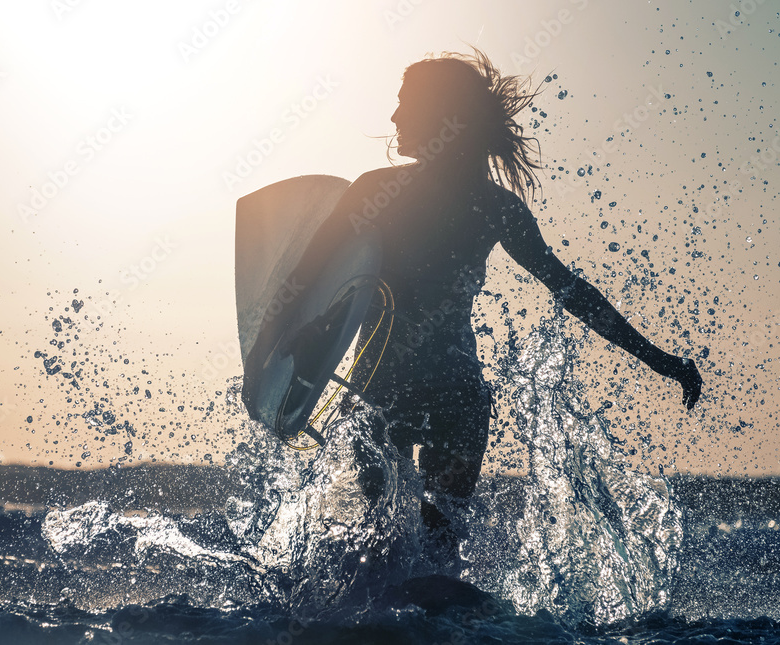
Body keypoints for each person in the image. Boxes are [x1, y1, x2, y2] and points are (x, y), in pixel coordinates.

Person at [293, 49, 702, 555]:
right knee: (438, 558)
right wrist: (661, 360)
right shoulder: (494, 206)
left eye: (405, 104)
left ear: (442, 114)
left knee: (382, 551)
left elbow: (306, 281)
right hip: (457, 396)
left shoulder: (378, 192)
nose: (395, 116)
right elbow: (571, 291)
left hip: (384, 390)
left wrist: (285, 351)